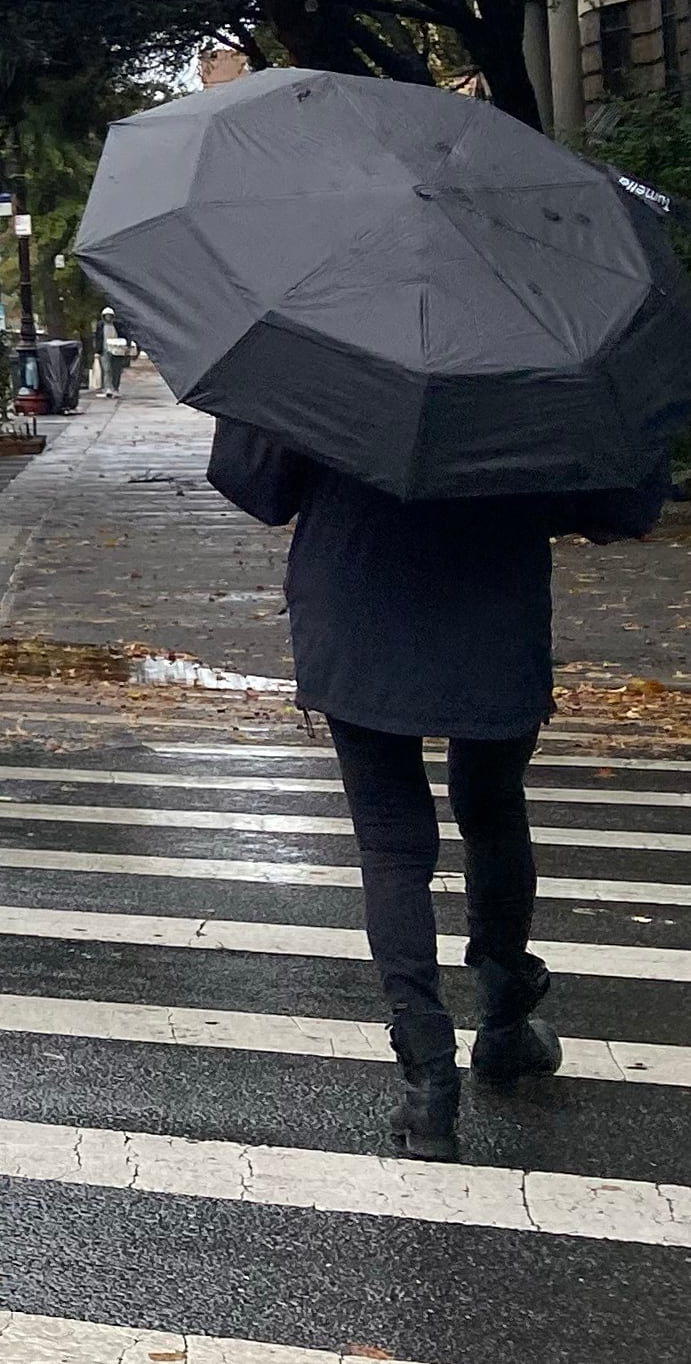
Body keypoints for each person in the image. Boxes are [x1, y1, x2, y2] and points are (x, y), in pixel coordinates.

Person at [207, 420, 663, 1159]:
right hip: (491, 609)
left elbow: (255, 482)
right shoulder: (533, 344)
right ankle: (504, 1021)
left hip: (355, 607)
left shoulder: (328, 336)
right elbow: (621, 507)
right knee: (490, 808)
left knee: (391, 846)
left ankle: (427, 1084)